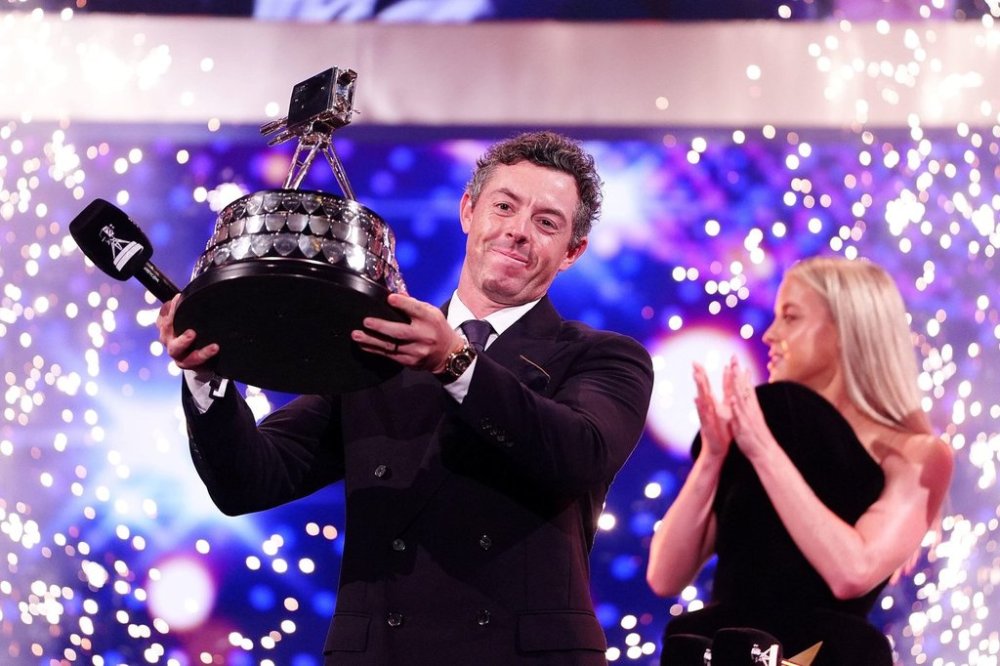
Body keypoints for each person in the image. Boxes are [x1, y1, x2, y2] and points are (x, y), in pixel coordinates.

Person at [157, 131, 655, 665]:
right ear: (469, 211)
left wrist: (453, 361)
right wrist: (209, 377)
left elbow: (577, 454)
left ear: (572, 251)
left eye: (547, 222)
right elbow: (250, 480)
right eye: (504, 206)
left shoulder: (605, 356)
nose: (517, 232)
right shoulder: (377, 348)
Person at [645, 256, 953, 665]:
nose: (771, 334)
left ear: (847, 330)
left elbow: (853, 573)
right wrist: (714, 458)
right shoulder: (759, 428)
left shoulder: (917, 454)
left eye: (790, 318)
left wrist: (763, 450)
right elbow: (665, 575)